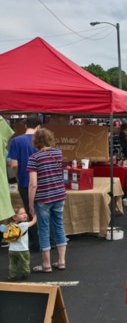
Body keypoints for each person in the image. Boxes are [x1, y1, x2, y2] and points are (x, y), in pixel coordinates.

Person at [27, 128, 68, 273]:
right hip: (59, 195)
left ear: (36, 141)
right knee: (59, 226)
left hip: (43, 197)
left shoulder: (34, 158)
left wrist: (31, 204)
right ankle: (62, 261)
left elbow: (33, 184)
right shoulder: (58, 153)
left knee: (43, 230)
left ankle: (46, 264)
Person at [7, 115, 41, 252]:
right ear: (39, 127)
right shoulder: (40, 141)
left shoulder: (16, 141)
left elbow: (13, 164)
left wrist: (18, 175)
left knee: (29, 211)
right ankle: (47, 240)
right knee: (43, 211)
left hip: (24, 181)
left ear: (26, 126)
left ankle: (34, 242)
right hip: (42, 181)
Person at [6, 207, 37, 280]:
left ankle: (12, 275)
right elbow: (33, 222)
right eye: (21, 213)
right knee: (25, 262)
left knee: (12, 263)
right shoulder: (23, 225)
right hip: (23, 249)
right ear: (14, 217)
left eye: (24, 213)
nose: (24, 215)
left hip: (12, 250)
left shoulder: (9, 226)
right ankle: (25, 274)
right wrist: (35, 214)